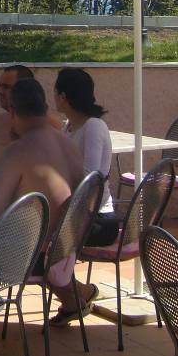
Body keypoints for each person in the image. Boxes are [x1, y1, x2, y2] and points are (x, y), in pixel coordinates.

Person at [0, 78, 98, 326]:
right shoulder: (68, 144)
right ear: (45, 108)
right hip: (65, 249)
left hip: (27, 258)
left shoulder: (17, 152)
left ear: (12, 112)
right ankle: (75, 298)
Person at [55, 68, 118, 247]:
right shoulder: (68, 127)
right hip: (76, 214)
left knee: (43, 234)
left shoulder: (93, 126)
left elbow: (90, 179)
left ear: (63, 96)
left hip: (98, 219)